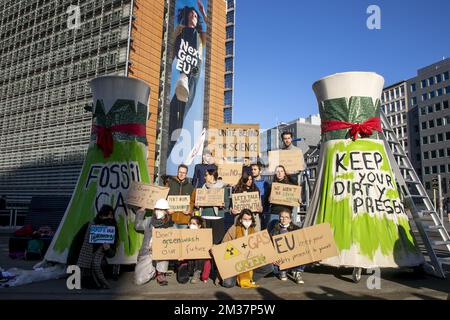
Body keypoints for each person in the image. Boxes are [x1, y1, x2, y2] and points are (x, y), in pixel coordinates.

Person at [168, 1, 208, 154]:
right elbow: (172, 48)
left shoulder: (200, 35)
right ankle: (170, 145)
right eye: (192, 13)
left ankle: (184, 77)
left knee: (183, 110)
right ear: (186, 15)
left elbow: (211, 28)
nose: (194, 15)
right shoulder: (180, 30)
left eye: (196, 15)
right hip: (182, 67)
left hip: (194, 71)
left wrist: (203, 12)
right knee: (174, 110)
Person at [67, 205, 119, 289]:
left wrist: (107, 249)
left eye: (111, 215)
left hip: (99, 260)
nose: (109, 218)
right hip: (82, 259)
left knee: (98, 266)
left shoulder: (112, 230)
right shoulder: (89, 226)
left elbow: (112, 254)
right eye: (106, 215)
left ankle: (96, 280)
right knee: (79, 280)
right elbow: (75, 245)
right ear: (100, 216)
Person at [220, 209, 273, 288]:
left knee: (269, 267)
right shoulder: (233, 229)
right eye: (245, 219)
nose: (247, 221)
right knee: (228, 284)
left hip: (249, 261)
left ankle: (248, 278)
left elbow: (260, 247)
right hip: (235, 262)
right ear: (241, 220)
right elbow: (223, 244)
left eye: (249, 219)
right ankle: (238, 277)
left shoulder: (254, 230)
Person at [134, 199, 174, 286]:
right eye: (158, 209)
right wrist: (141, 211)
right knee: (139, 280)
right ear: (154, 210)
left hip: (162, 252)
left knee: (164, 253)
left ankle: (161, 273)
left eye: (162, 210)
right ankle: (152, 272)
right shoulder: (149, 220)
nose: (159, 211)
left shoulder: (170, 223)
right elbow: (137, 226)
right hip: (148, 252)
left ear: (166, 211)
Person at [189, 168, 230, 244]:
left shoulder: (222, 187)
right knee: (205, 241)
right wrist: (198, 204)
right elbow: (198, 201)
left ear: (212, 176)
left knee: (217, 241)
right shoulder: (203, 187)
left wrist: (223, 205)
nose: (204, 177)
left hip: (217, 217)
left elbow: (227, 203)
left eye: (206, 175)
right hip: (205, 217)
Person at [270, 209, 305, 284]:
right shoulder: (274, 231)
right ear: (279, 218)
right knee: (272, 267)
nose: (283, 219)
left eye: (286, 217)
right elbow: (270, 246)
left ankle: (297, 272)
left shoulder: (297, 229)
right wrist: (273, 258)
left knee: (303, 251)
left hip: (294, 258)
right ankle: (283, 271)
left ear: (290, 219)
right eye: (281, 217)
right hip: (280, 259)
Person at [176, 216, 211, 284]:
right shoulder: (184, 234)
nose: (192, 225)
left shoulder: (205, 235)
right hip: (187, 262)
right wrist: (180, 255)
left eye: (194, 224)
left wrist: (204, 277)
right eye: (190, 223)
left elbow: (206, 254)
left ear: (199, 226)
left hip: (199, 263)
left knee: (200, 254)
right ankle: (189, 272)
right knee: (181, 279)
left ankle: (197, 273)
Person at [264, 165, 297, 232]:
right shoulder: (271, 186)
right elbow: (266, 201)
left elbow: (296, 185)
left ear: (284, 173)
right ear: (275, 173)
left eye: (281, 171)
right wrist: (269, 199)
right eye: (278, 171)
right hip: (275, 213)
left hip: (287, 212)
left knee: (288, 232)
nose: (279, 173)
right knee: (273, 232)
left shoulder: (290, 185)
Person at [166, 164, 194, 229]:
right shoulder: (169, 184)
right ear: (177, 172)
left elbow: (192, 201)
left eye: (184, 173)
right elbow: (164, 198)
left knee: (182, 239)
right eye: (180, 172)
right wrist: (167, 209)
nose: (181, 174)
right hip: (171, 219)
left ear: (186, 174)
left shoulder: (190, 187)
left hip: (184, 219)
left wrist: (189, 209)